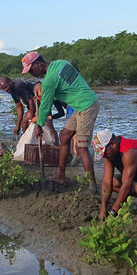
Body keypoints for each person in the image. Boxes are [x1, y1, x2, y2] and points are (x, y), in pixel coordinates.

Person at [22, 51, 99, 189]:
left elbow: (45, 106)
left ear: (38, 64)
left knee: (81, 148)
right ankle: (61, 176)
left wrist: (39, 126)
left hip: (87, 107)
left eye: (31, 69)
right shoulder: (62, 63)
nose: (31, 74)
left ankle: (92, 185)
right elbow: (68, 87)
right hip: (80, 106)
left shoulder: (49, 80)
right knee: (64, 137)